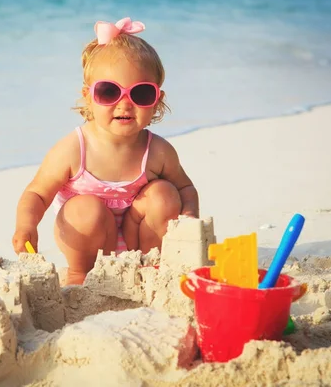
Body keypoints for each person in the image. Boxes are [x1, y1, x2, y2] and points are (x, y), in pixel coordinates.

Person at [12, 17, 199, 285]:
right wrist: (26, 225)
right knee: (84, 209)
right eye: (109, 92)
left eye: (141, 94)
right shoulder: (74, 148)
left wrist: (189, 220)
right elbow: (38, 193)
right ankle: (79, 277)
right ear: (89, 96)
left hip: (140, 241)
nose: (124, 104)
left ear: (157, 101)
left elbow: (185, 189)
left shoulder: (158, 151)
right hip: (88, 242)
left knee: (164, 194)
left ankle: (154, 267)